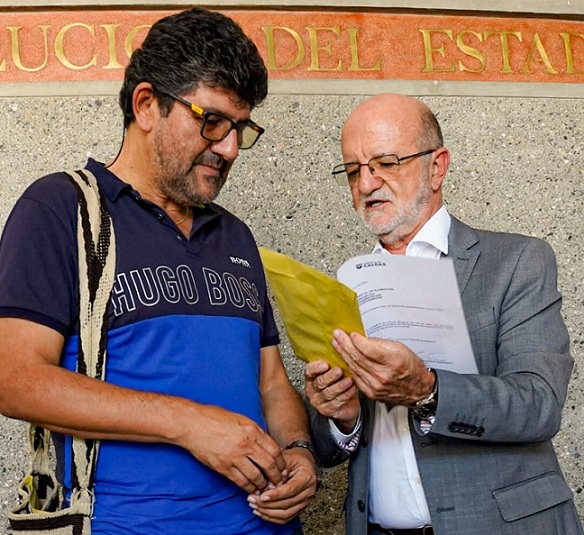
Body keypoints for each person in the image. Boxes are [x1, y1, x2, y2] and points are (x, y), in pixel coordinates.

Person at [0, 7, 318, 535]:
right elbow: (14, 379)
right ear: (147, 105)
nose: (231, 147)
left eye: (241, 128)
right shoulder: (61, 208)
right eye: (212, 121)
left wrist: (299, 453)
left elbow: (270, 381)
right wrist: (189, 423)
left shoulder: (235, 235)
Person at [305, 93, 583, 535]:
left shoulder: (516, 261)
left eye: (386, 162)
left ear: (437, 167)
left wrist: (428, 390)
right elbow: (330, 449)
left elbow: (540, 405)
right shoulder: (347, 288)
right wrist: (340, 416)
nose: (366, 183)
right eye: (353, 169)